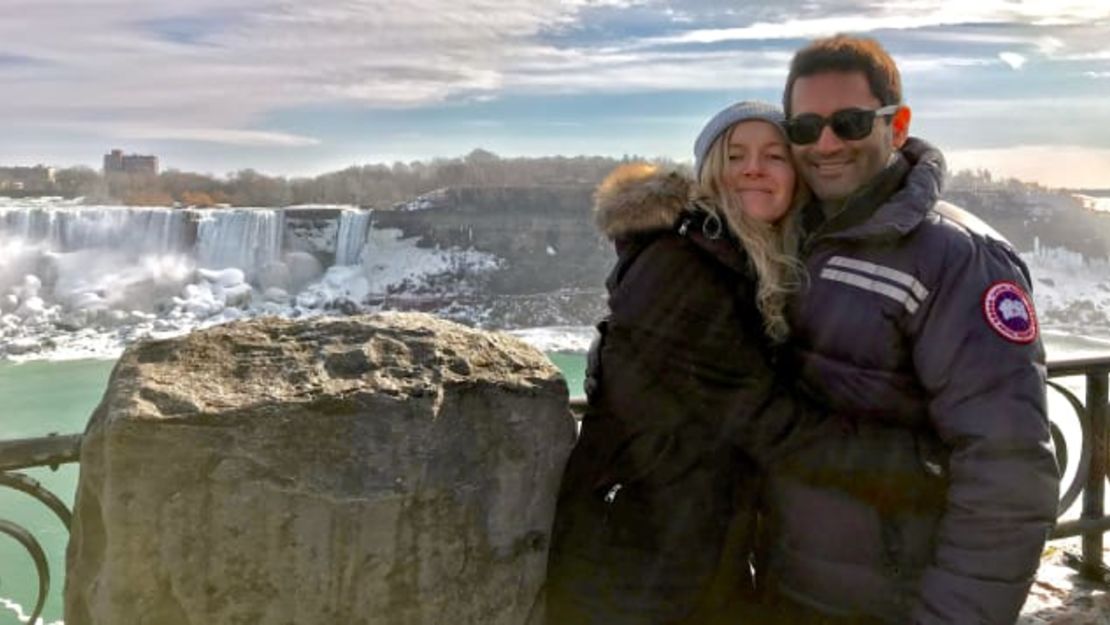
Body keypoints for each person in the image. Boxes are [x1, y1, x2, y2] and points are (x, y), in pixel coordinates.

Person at [757, 35, 1061, 624]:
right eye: (805, 127)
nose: (825, 144)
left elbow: (1009, 470)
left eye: (849, 122)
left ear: (896, 125)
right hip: (787, 587)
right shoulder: (793, 239)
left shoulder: (959, 260)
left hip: (891, 604)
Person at [543, 101, 827, 625]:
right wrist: (911, 460)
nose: (753, 167)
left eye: (775, 155)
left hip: (688, 543)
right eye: (734, 154)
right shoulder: (680, 267)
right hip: (634, 558)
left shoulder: (744, 261)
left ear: (797, 176)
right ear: (710, 173)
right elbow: (762, 419)